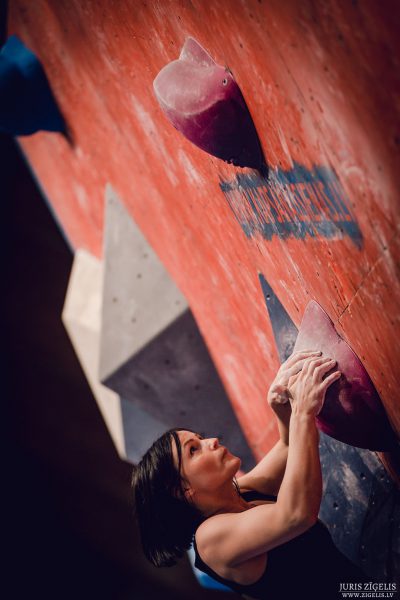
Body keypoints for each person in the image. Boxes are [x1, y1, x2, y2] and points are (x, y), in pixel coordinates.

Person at [132, 350, 370, 599]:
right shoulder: (209, 540)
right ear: (183, 490)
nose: (211, 441)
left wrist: (282, 409)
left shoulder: (238, 492)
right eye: (194, 449)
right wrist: (302, 412)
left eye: (200, 439)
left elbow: (289, 447)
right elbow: (296, 515)